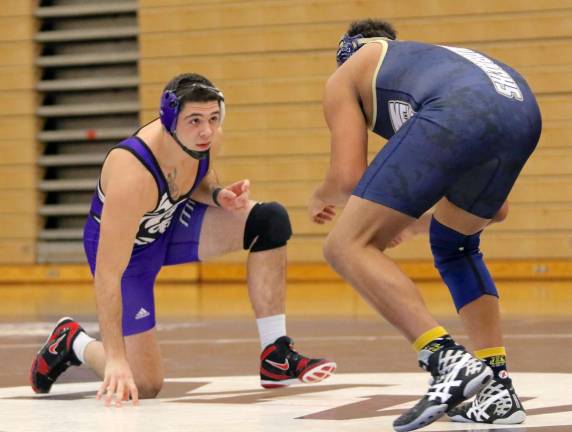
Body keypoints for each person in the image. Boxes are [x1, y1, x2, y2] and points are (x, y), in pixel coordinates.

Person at [30, 73, 336, 406]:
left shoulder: (205, 138)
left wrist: (218, 195)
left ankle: (276, 355)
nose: (206, 130)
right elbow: (107, 275)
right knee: (145, 384)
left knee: (270, 220)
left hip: (172, 222)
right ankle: (73, 341)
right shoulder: (131, 174)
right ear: (170, 121)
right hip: (129, 253)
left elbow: (201, 176)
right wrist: (116, 357)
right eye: (195, 120)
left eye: (213, 119)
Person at [309, 19, 540, 431]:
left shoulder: (347, 73)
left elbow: (347, 178)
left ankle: (445, 359)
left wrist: (322, 195)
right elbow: (496, 209)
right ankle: (497, 389)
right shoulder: (422, 63)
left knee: (344, 246)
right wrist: (408, 220)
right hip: (521, 106)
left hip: (462, 108)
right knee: (456, 243)